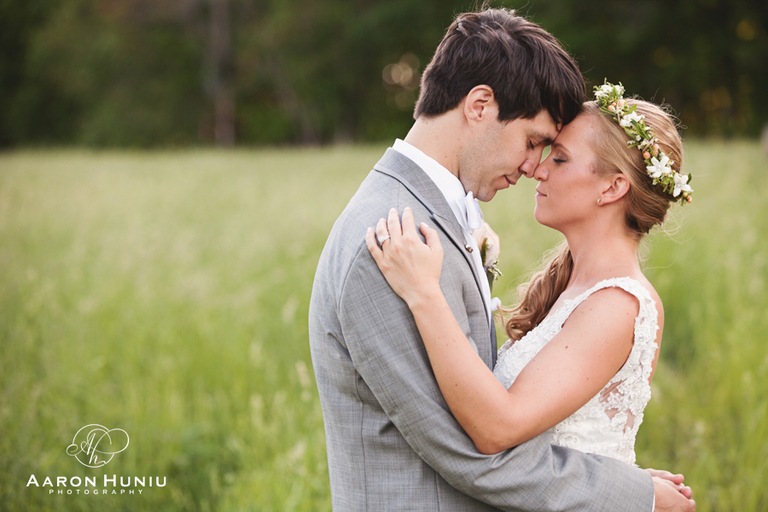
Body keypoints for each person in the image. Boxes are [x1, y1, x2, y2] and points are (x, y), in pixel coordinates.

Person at [309, 8, 694, 511]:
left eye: (553, 154)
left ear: (614, 188)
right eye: (535, 143)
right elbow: (474, 449)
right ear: (480, 105)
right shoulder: (388, 241)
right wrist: (634, 492)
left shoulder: (425, 223)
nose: (534, 167)